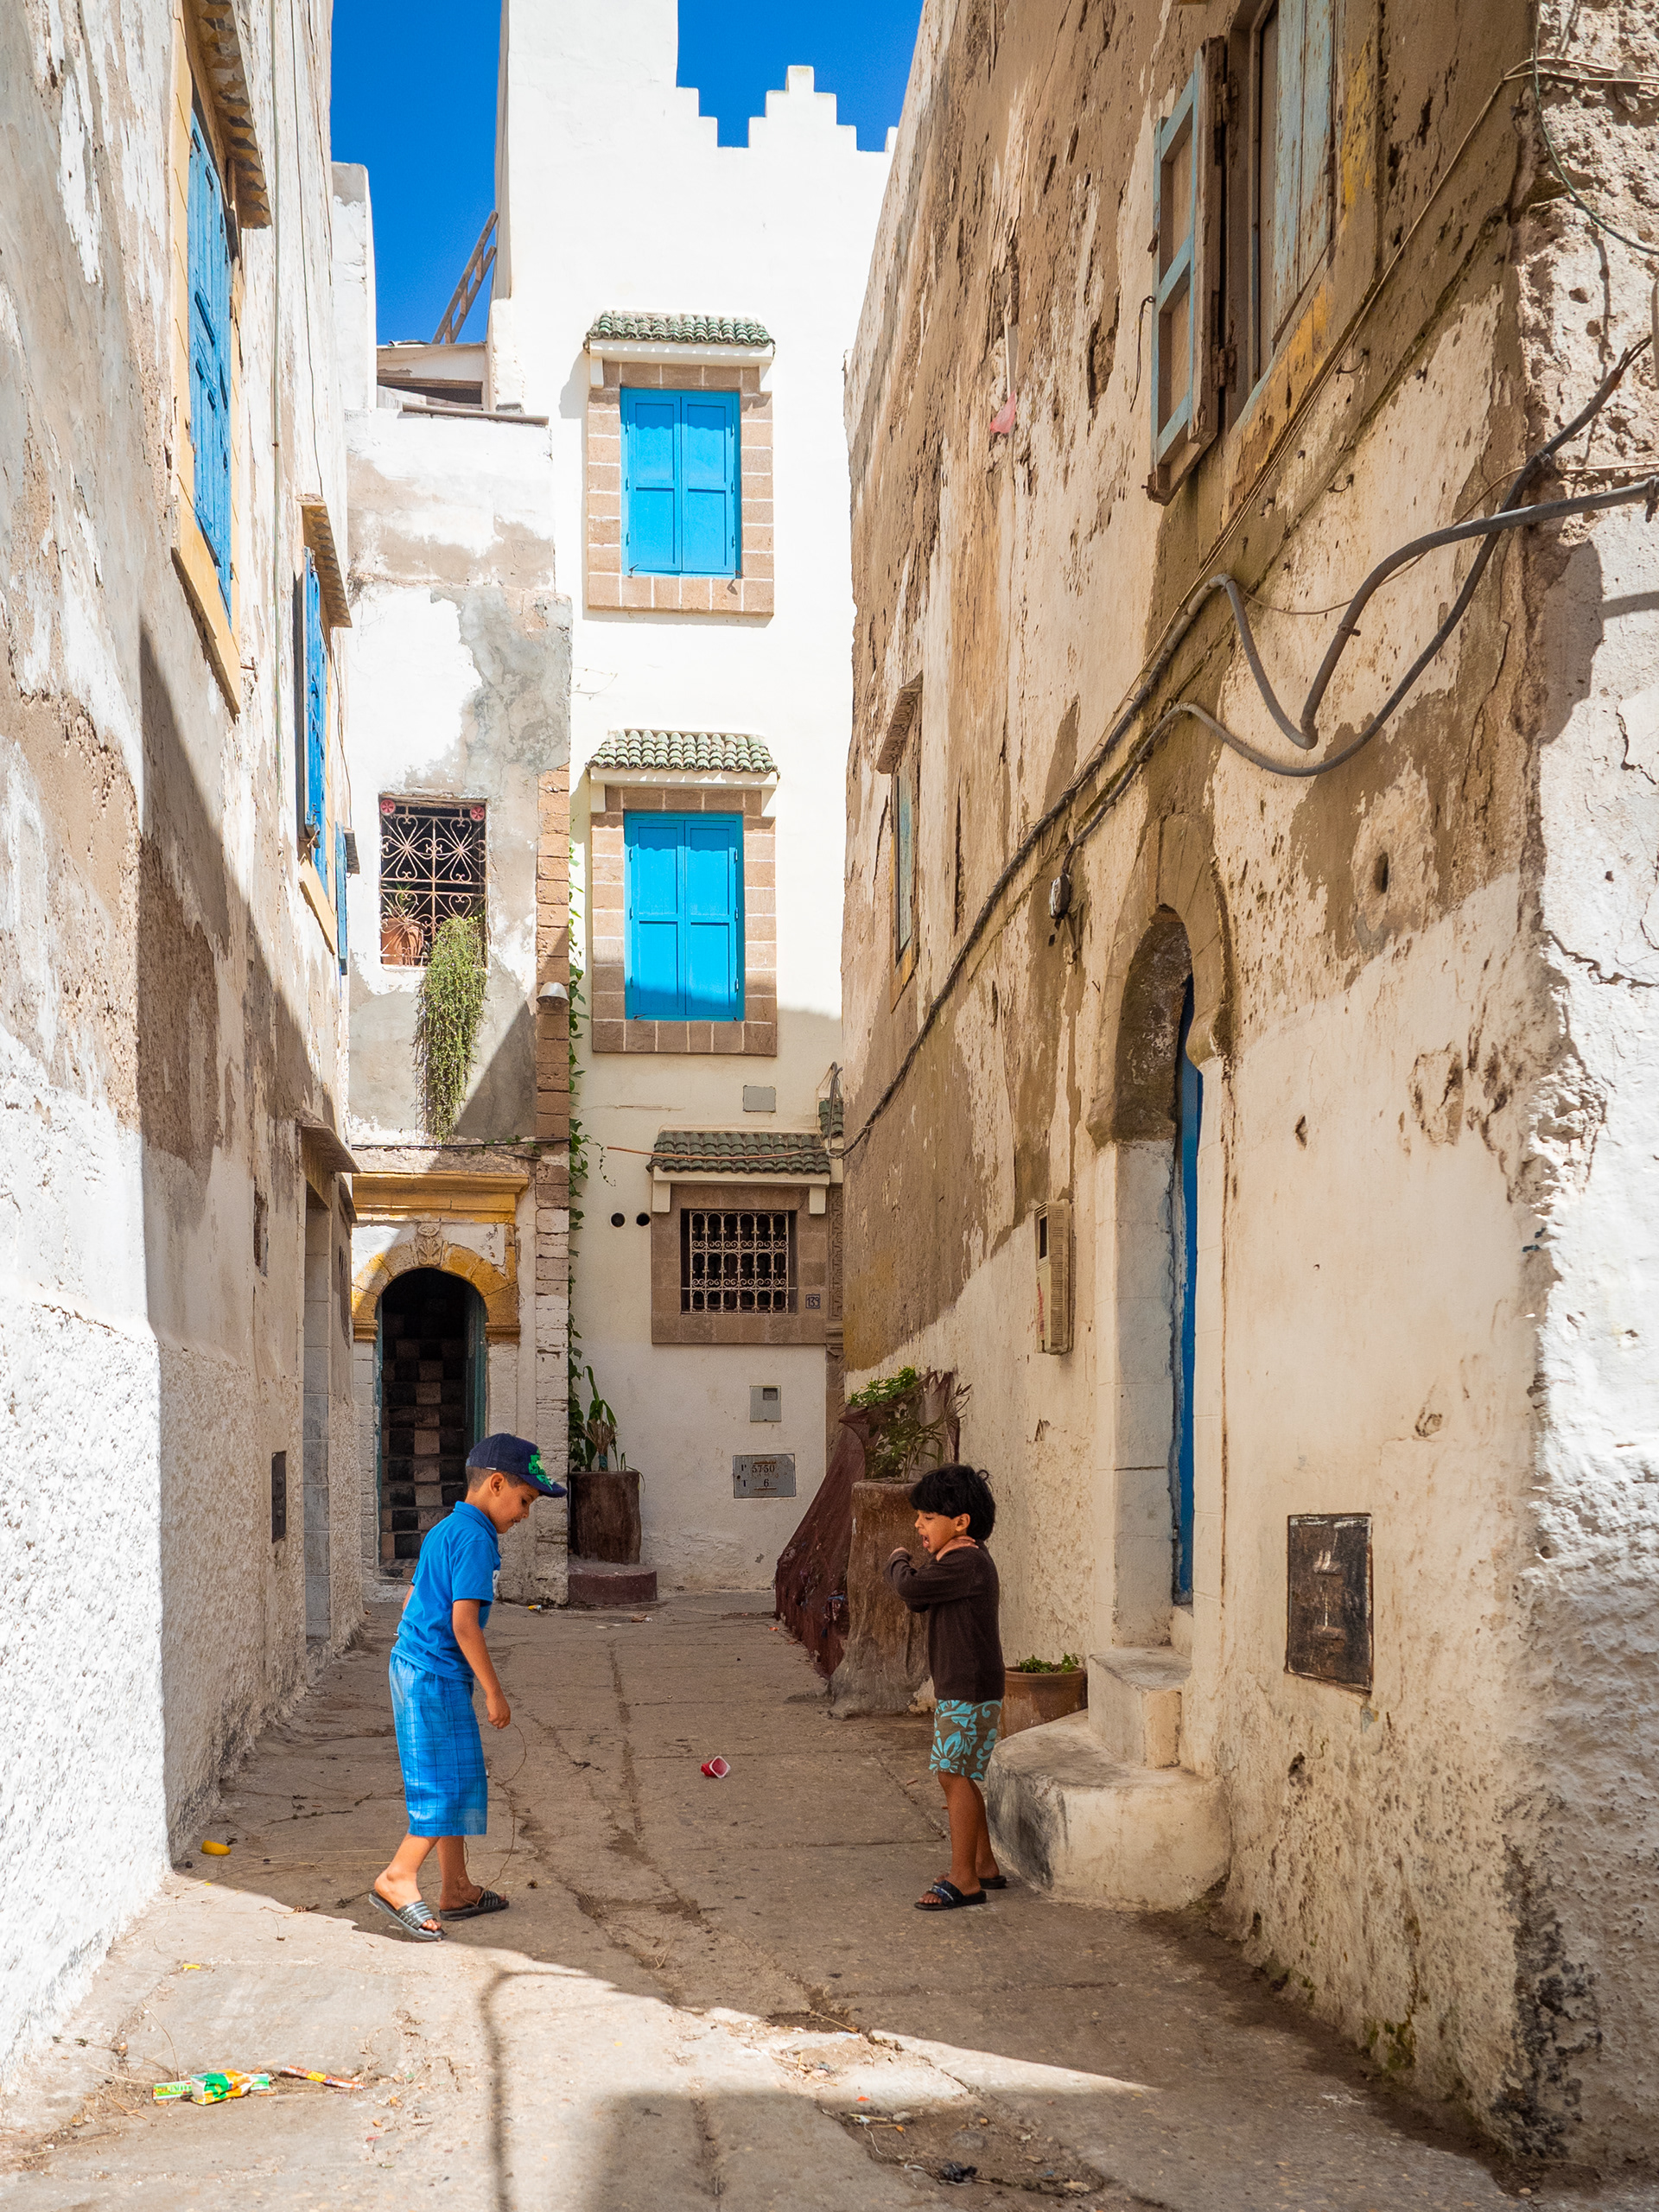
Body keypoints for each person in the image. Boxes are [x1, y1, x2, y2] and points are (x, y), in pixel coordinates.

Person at [371, 1433, 564, 1939]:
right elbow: (464, 1625)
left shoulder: (446, 1528)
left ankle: (455, 1888)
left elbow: (413, 1598)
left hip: (416, 1666)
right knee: (447, 1785)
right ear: (496, 1484)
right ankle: (397, 1877)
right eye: (524, 1500)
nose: (525, 1514)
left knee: (453, 1774)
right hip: (434, 1675)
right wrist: (494, 1692)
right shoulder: (477, 1540)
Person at [885, 1463, 1005, 1910]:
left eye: (928, 1517)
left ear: (960, 1522)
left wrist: (897, 1557)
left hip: (967, 1689)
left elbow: (911, 1590)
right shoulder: (960, 1561)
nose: (918, 1525)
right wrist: (929, 1561)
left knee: (952, 1775)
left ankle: (964, 1880)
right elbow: (923, 1599)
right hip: (971, 1686)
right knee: (962, 1774)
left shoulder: (966, 1561)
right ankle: (983, 1865)